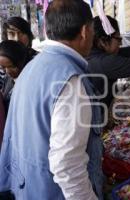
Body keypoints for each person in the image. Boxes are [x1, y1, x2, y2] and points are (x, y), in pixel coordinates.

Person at [0, 0, 104, 199]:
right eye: (92, 29)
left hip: (28, 188)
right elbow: (67, 165)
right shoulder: (70, 80)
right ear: (84, 31)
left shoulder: (32, 67)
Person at [0, 40, 27, 109]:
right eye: (3, 67)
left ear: (21, 61)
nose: (7, 71)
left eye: (12, 67)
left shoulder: (28, 82)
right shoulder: (7, 79)